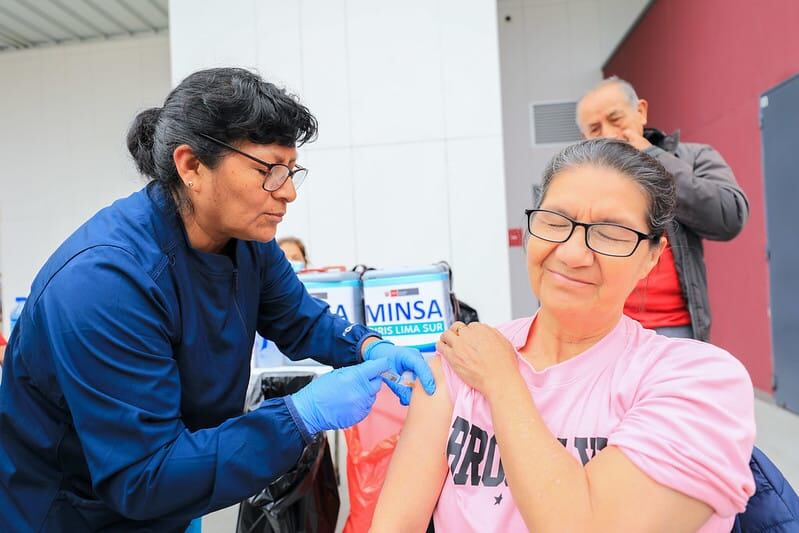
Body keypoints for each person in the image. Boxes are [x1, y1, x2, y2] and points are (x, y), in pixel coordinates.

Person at [0, 67, 435, 531]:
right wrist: (301, 414)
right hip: (72, 513)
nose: (287, 191)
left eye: (291, 170)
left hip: (170, 486)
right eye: (268, 170)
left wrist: (369, 347)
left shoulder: (246, 241)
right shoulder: (105, 282)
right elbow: (141, 478)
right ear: (191, 167)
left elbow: (299, 319)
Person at [372, 139, 755, 532]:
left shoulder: (699, 383)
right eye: (555, 223)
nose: (572, 254)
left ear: (652, 257)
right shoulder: (462, 359)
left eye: (610, 232)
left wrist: (502, 382)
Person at [576, 76, 749, 340]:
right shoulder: (575, 180)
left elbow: (729, 216)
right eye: (595, 129)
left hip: (676, 328)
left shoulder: (692, 157)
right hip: (603, 331)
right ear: (585, 138)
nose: (609, 134)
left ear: (641, 111)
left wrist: (653, 158)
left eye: (616, 119)